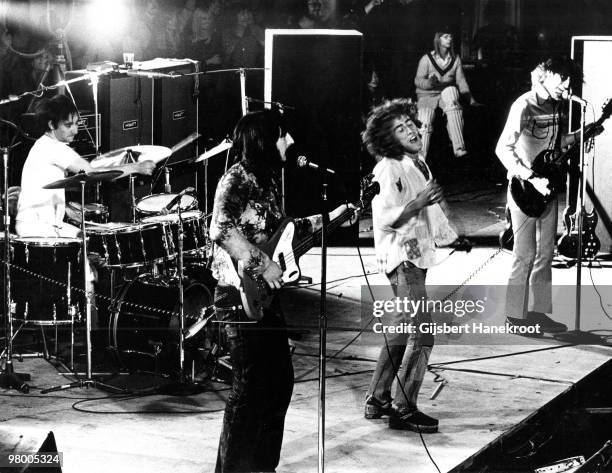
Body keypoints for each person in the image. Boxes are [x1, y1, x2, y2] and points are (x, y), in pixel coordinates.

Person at [209, 109, 356, 472]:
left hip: (263, 296)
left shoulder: (269, 179)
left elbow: (286, 229)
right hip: (234, 295)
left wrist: (335, 216)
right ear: (264, 139)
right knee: (249, 387)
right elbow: (221, 228)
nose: (289, 141)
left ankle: (262, 466)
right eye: (282, 135)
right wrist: (262, 263)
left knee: (279, 383)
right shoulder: (237, 179)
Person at [362, 98, 457, 432]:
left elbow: (429, 210)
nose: (412, 131)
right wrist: (417, 202)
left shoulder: (415, 163)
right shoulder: (389, 168)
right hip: (403, 260)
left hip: (413, 257)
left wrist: (450, 236)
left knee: (401, 331)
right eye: (400, 129)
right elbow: (386, 217)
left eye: (411, 124)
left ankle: (378, 398)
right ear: (389, 139)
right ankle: (404, 407)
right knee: (423, 335)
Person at [495, 57, 582, 334]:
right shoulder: (524, 105)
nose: (566, 85)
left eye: (569, 80)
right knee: (524, 254)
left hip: (549, 187)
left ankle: (539, 312)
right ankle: (514, 316)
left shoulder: (558, 107)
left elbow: (556, 144)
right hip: (525, 189)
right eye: (561, 78)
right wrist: (530, 176)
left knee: (546, 253)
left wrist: (580, 134)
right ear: (544, 76)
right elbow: (503, 148)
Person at [16, 94, 155, 238]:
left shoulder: (42, 144)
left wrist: (65, 210)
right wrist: (136, 167)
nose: (75, 131)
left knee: (84, 238)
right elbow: (92, 173)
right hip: (36, 227)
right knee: (85, 247)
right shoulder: (54, 148)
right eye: (68, 125)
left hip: (45, 223)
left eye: (77, 124)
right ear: (51, 125)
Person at [415, 26, 479, 160]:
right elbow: (418, 80)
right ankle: (420, 159)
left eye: (450, 36)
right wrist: (429, 83)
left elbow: (461, 81)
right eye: (445, 36)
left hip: (445, 94)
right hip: (427, 95)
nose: (449, 39)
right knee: (425, 122)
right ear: (438, 39)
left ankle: (459, 148)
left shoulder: (455, 59)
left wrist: (470, 98)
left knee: (452, 92)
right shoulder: (427, 58)